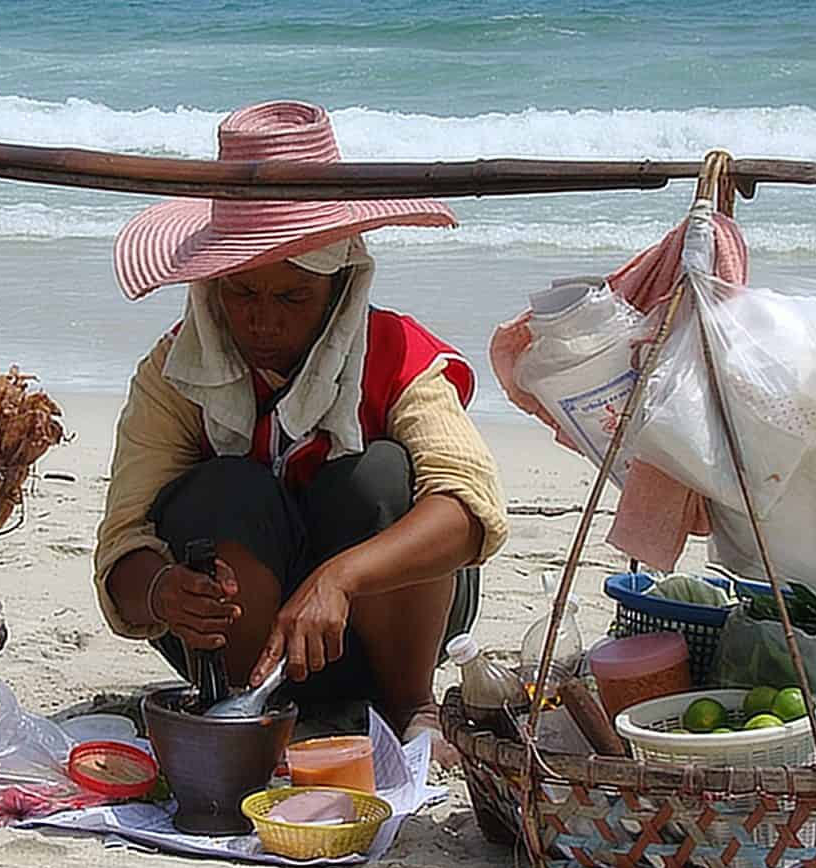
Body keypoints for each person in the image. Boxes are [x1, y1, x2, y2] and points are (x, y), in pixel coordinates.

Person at [92, 100, 507, 761]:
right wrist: (162, 591)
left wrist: (340, 579)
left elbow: (466, 508)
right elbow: (124, 539)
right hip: (236, 645)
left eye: (289, 298)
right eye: (240, 294)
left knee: (378, 476)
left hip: (388, 635)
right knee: (227, 488)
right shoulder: (175, 375)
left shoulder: (398, 355)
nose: (261, 321)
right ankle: (246, 705)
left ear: (339, 286)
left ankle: (411, 708)